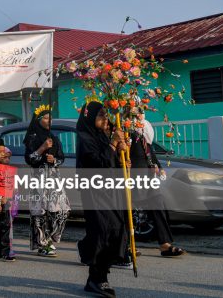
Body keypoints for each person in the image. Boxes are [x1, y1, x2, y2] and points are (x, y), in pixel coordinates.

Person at [76, 101, 129, 298]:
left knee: (116, 229)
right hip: (95, 193)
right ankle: (97, 279)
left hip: (111, 192)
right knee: (102, 231)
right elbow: (98, 163)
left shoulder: (102, 136)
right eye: (101, 115)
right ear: (90, 117)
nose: (105, 119)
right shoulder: (84, 137)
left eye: (106, 115)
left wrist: (123, 156)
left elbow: (111, 163)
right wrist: (113, 144)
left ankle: (98, 275)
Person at [130, 117, 184, 258]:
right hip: (133, 177)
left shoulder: (143, 134)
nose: (139, 116)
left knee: (158, 205)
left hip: (149, 177)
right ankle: (127, 246)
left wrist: (159, 167)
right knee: (128, 212)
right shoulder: (126, 131)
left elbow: (149, 152)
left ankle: (164, 244)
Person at [23, 105, 70, 257]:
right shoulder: (32, 138)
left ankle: (51, 237)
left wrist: (54, 159)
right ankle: (43, 243)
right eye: (45, 118)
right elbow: (30, 159)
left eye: (50, 118)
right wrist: (42, 149)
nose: (49, 120)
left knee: (62, 209)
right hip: (39, 179)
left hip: (54, 179)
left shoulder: (53, 138)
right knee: (40, 212)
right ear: (38, 120)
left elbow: (61, 158)